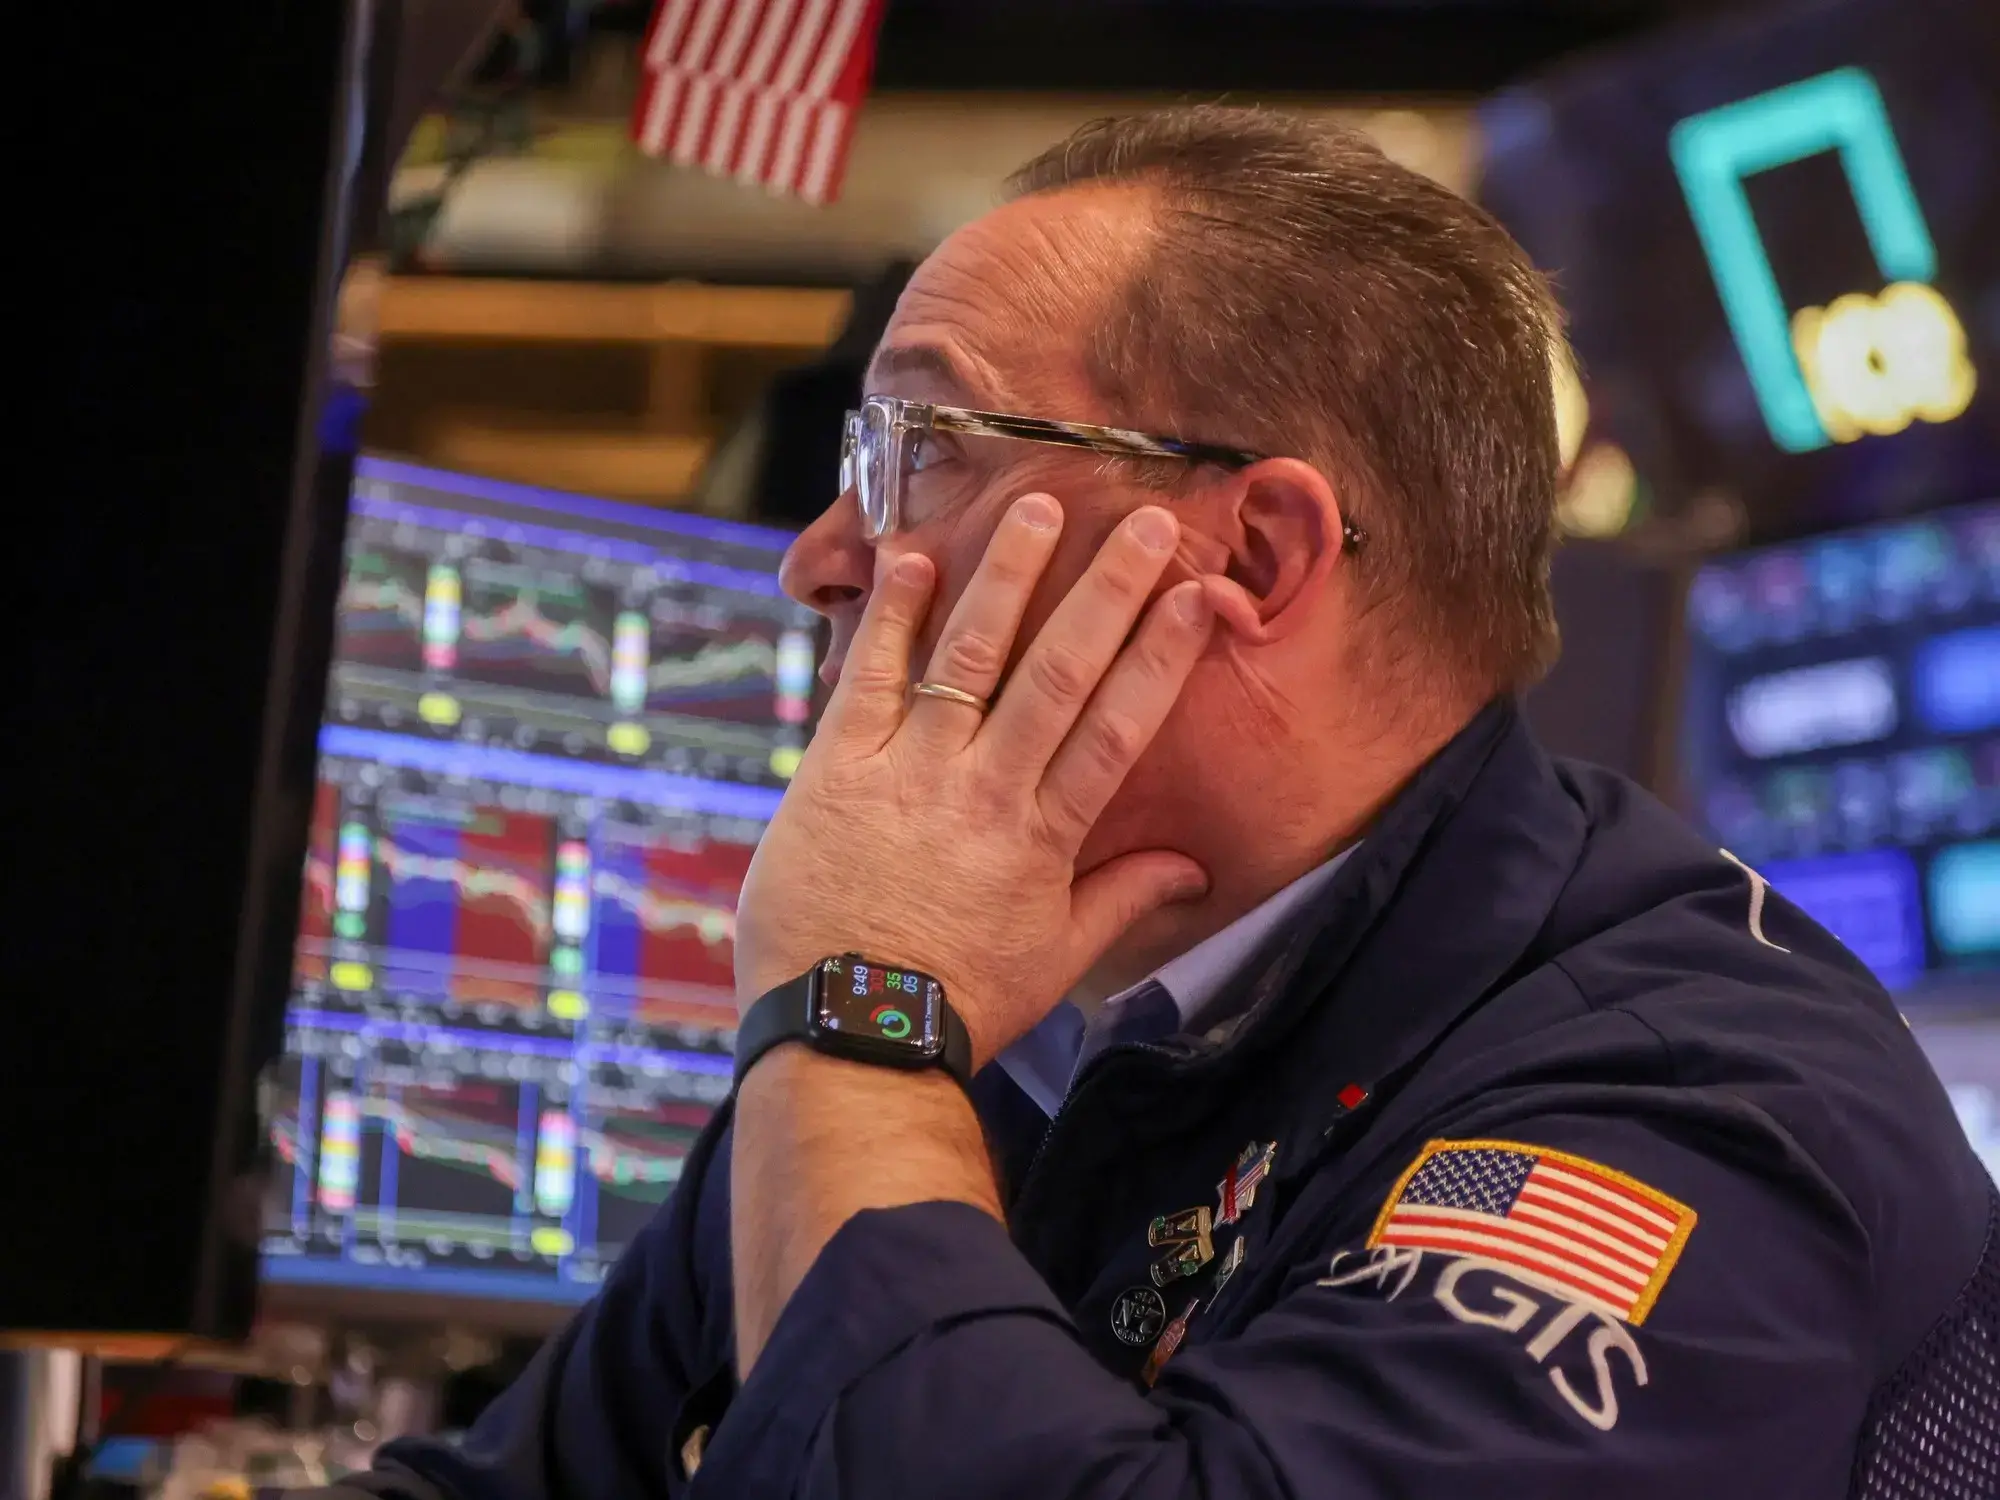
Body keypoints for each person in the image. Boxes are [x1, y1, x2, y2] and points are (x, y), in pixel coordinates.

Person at [321, 106, 1998, 1500]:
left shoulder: (1681, 1103)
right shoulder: (1017, 1018)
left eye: (919, 448)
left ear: (1254, 554)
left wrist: (859, 1029)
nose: (816, 558)